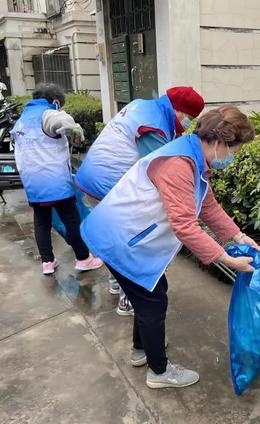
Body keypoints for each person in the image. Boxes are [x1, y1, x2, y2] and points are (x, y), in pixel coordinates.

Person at [81, 105, 260, 389]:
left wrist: (238, 236)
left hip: (125, 235)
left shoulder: (192, 154)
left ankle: (142, 350)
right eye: (234, 150)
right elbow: (185, 225)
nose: (233, 157)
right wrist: (226, 258)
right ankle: (159, 372)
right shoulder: (179, 164)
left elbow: (207, 205)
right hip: (120, 239)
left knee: (151, 294)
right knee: (153, 302)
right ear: (219, 141)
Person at [75, 86, 205, 316]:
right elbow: (160, 169)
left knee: (113, 240)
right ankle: (128, 299)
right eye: (189, 118)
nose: (188, 123)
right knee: (130, 243)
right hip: (108, 184)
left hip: (92, 176)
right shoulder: (154, 126)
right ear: (179, 111)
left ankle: (116, 283)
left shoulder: (144, 106)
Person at [12, 83, 103, 276]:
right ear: (54, 101)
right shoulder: (48, 114)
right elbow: (66, 122)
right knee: (71, 220)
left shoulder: (22, 119)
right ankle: (83, 259)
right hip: (54, 180)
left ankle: (47, 262)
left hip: (31, 181)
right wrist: (78, 133)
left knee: (41, 221)